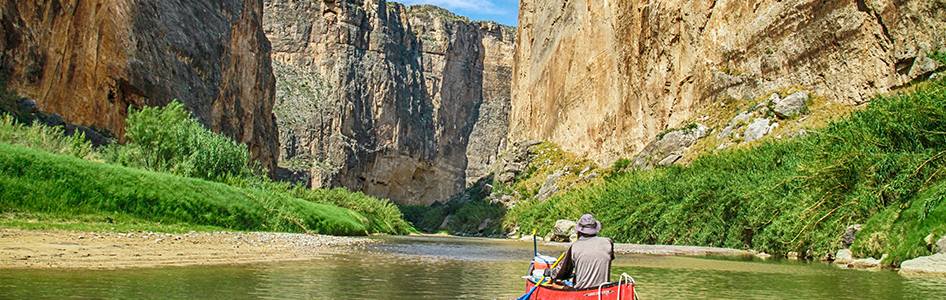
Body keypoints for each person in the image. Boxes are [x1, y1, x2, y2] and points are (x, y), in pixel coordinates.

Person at [544, 214, 614, 289]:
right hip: (603, 291)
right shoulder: (608, 242)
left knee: (556, 284)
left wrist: (551, 273)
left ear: (579, 231)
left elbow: (562, 273)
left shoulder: (574, 246)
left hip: (582, 291)